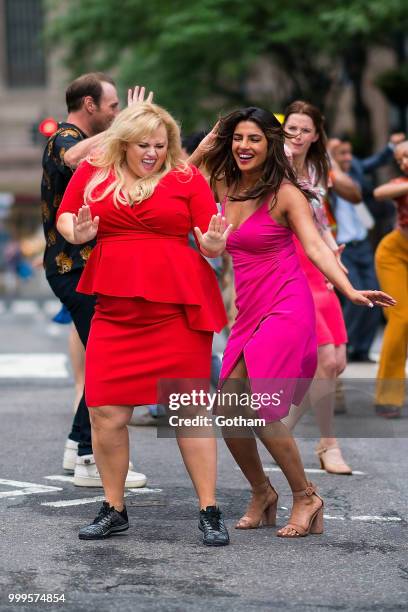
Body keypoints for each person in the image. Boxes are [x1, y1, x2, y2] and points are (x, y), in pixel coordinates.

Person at [190, 107, 394, 537]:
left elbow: (318, 248)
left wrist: (349, 289)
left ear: (270, 145)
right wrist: (206, 144)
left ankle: (306, 495)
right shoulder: (223, 184)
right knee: (228, 409)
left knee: (259, 404)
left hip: (286, 304)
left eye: (254, 139)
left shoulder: (286, 193)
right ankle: (263, 492)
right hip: (247, 310)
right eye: (237, 138)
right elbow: (175, 184)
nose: (244, 146)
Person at [56, 102, 231, 546]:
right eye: (143, 145)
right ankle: (113, 508)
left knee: (189, 408)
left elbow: (208, 237)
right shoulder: (95, 172)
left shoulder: (185, 178)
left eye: (160, 144)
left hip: (176, 309)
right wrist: (78, 232)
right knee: (106, 411)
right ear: (123, 143)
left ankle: (209, 510)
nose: (152, 153)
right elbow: (67, 219)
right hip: (116, 310)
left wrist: (211, 242)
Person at [41, 72, 146, 487]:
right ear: (90, 105)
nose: (117, 112)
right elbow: (71, 158)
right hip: (73, 268)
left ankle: (75, 446)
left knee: (104, 360)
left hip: (87, 268)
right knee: (108, 364)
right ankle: (89, 457)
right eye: (113, 106)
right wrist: (126, 126)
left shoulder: (88, 142)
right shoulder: (62, 137)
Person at [282, 100, 357, 474]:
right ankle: (329, 446)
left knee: (336, 362)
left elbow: (320, 223)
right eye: (291, 128)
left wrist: (333, 257)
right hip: (286, 261)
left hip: (318, 261)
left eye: (304, 130)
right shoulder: (272, 164)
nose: (296, 135)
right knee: (324, 360)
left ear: (316, 135)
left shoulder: (316, 168)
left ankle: (280, 433)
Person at [329, 133, 405, 362]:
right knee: (356, 294)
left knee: (374, 294)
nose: (348, 157)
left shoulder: (356, 170)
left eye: (349, 153)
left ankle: (362, 349)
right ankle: (346, 345)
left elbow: (376, 162)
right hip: (342, 244)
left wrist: (392, 146)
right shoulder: (325, 175)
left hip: (361, 241)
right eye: (342, 154)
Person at [373, 140, 408, 418]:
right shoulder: (400, 184)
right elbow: (379, 191)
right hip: (395, 253)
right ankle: (388, 396)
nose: (405, 162)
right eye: (401, 158)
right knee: (401, 317)